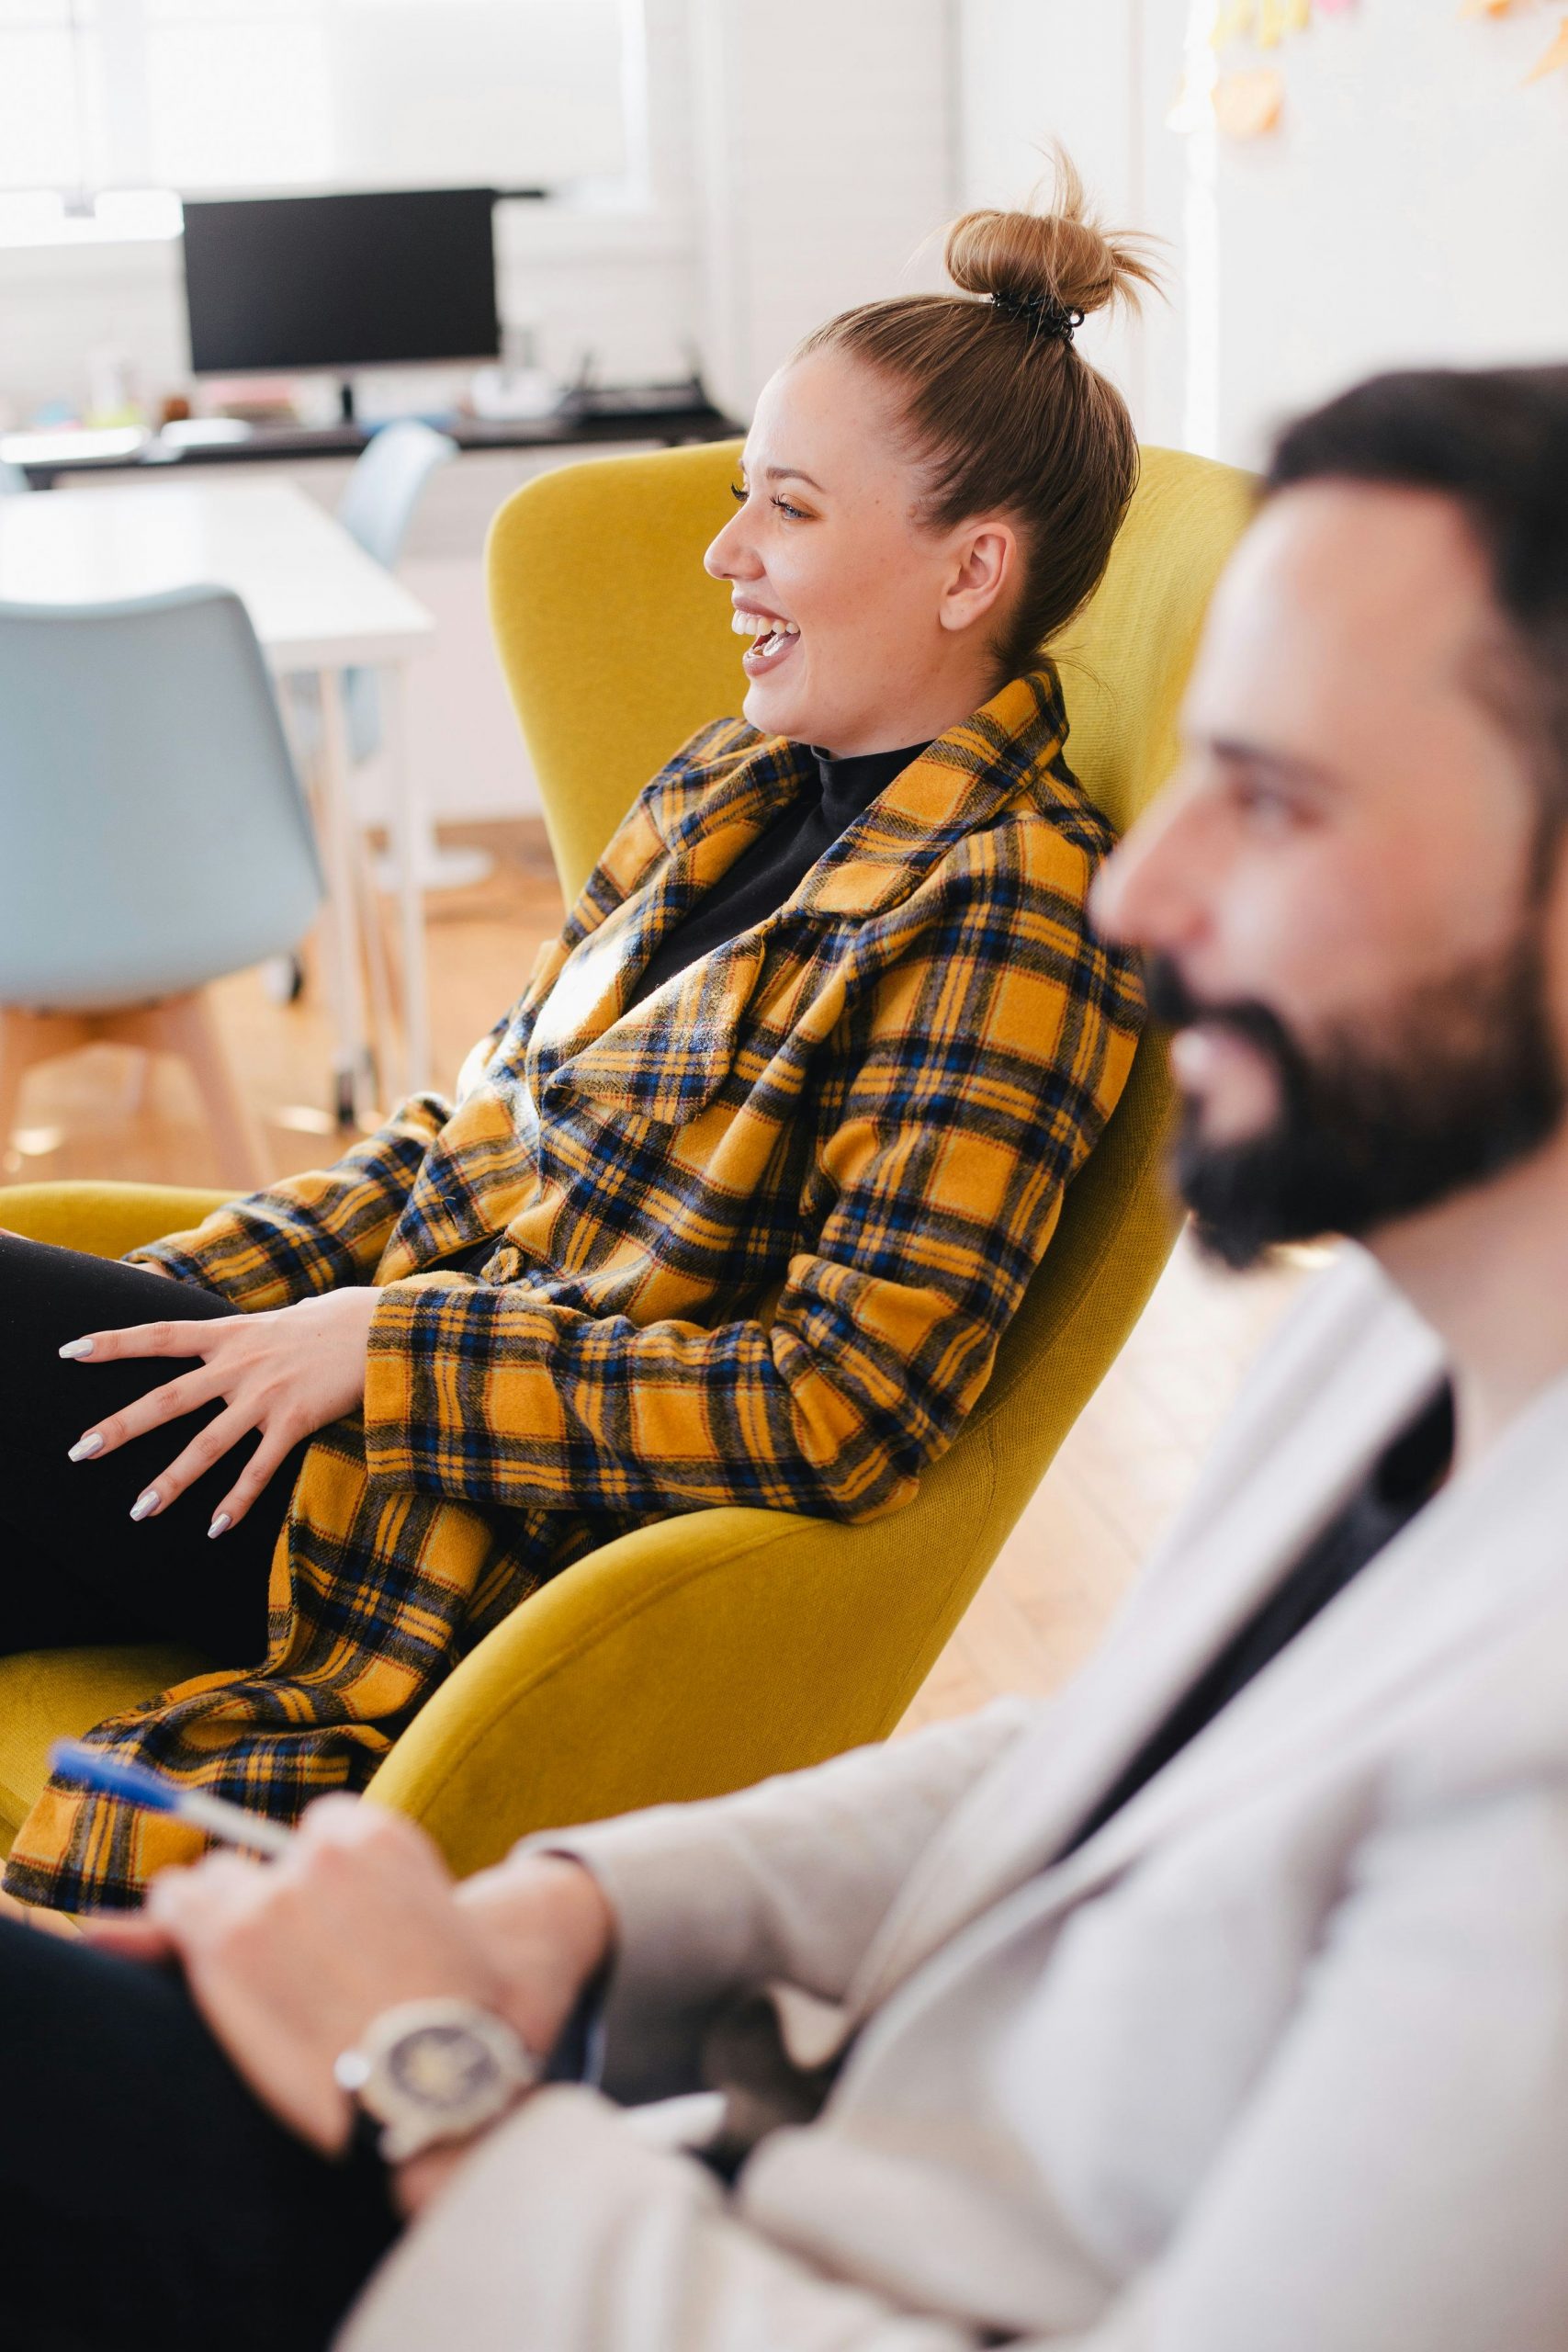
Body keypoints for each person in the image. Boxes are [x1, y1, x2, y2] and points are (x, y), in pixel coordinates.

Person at [7, 356, 1568, 2351]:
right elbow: (1116, 1747)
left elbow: (836, 1396)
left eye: (1270, 797)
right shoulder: (1397, 1332)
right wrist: (577, 1907)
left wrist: (433, 2083)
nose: (1143, 886)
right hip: (666, 2166)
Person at [0, 162, 1154, 1915]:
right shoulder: (729, 781)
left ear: (969, 569)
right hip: (340, 1414)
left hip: (461, 1515)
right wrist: (207, 1299)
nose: (725, 551)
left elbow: (849, 1403)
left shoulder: (1009, 915)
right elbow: (479, 1129)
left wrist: (394, 1354)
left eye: (787, 508)